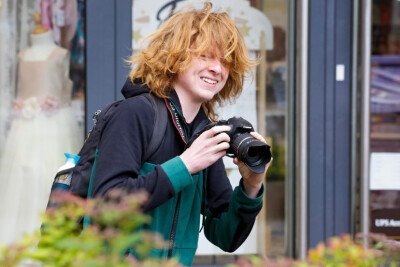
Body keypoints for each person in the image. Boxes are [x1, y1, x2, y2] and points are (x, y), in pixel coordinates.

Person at [91, 2, 272, 266]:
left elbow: (225, 236)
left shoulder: (203, 132)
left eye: (225, 61)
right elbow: (105, 206)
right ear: (174, 57)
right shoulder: (135, 114)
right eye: (205, 56)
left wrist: (252, 185)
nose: (217, 69)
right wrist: (185, 166)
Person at [0, 14, 82, 246]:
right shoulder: (22, 55)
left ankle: (53, 233)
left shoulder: (61, 54)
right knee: (21, 179)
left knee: (51, 174)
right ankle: (20, 237)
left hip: (55, 123)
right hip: (25, 126)